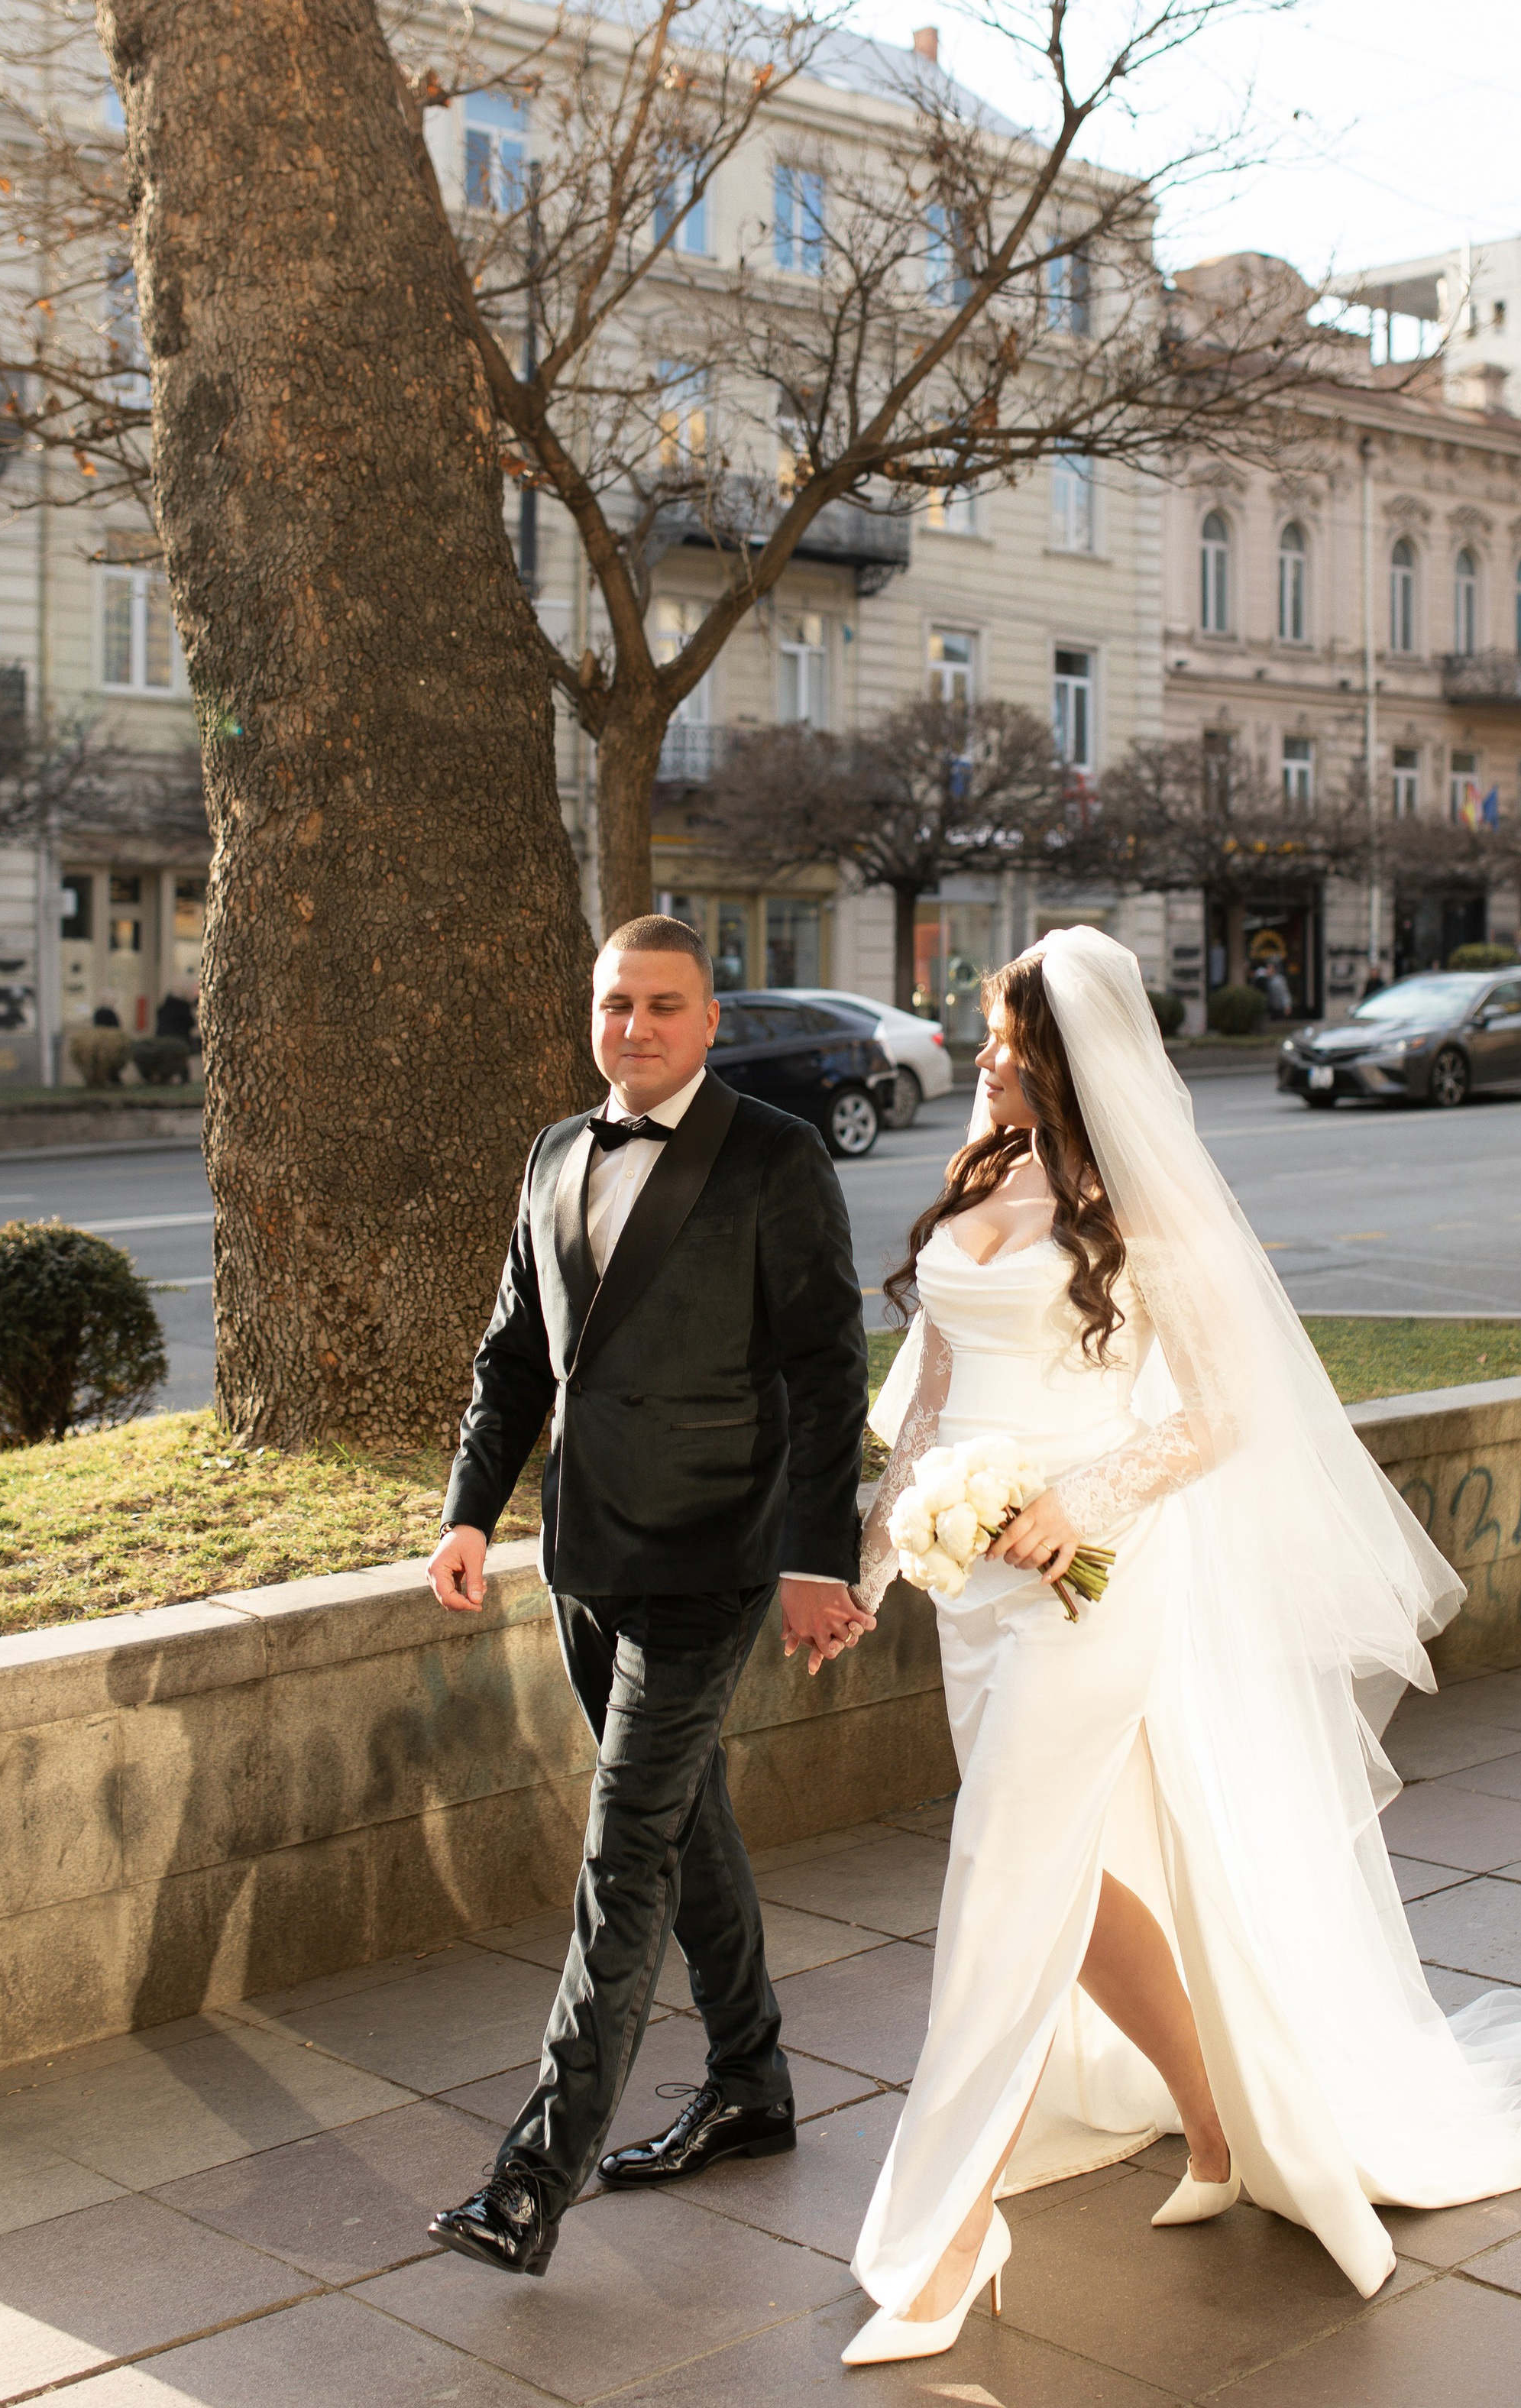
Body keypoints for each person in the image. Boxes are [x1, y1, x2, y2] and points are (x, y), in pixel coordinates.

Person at [839, 928, 1521, 2366]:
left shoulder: (1145, 1210)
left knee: (1001, 1874)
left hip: (1092, 1580)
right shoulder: (980, 1173)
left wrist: (1079, 1503)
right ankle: (1211, 2127)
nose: (985, 1054)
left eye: (1008, 1036)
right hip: (977, 1590)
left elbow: (1221, 1413)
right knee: (1061, 1874)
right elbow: (934, 1394)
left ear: (1070, 1058)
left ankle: (950, 2235)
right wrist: (876, 1565)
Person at [425, 915, 875, 2279]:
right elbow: (516, 1352)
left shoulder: (776, 1155)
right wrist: (467, 1510)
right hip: (584, 1552)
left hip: (711, 1555)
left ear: (710, 1021)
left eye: (663, 1004)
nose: (635, 1027)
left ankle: (531, 2181)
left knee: (623, 1852)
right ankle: (750, 2082)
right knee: (686, 1823)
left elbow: (826, 1368)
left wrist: (817, 1559)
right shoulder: (555, 1152)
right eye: (615, 1003)